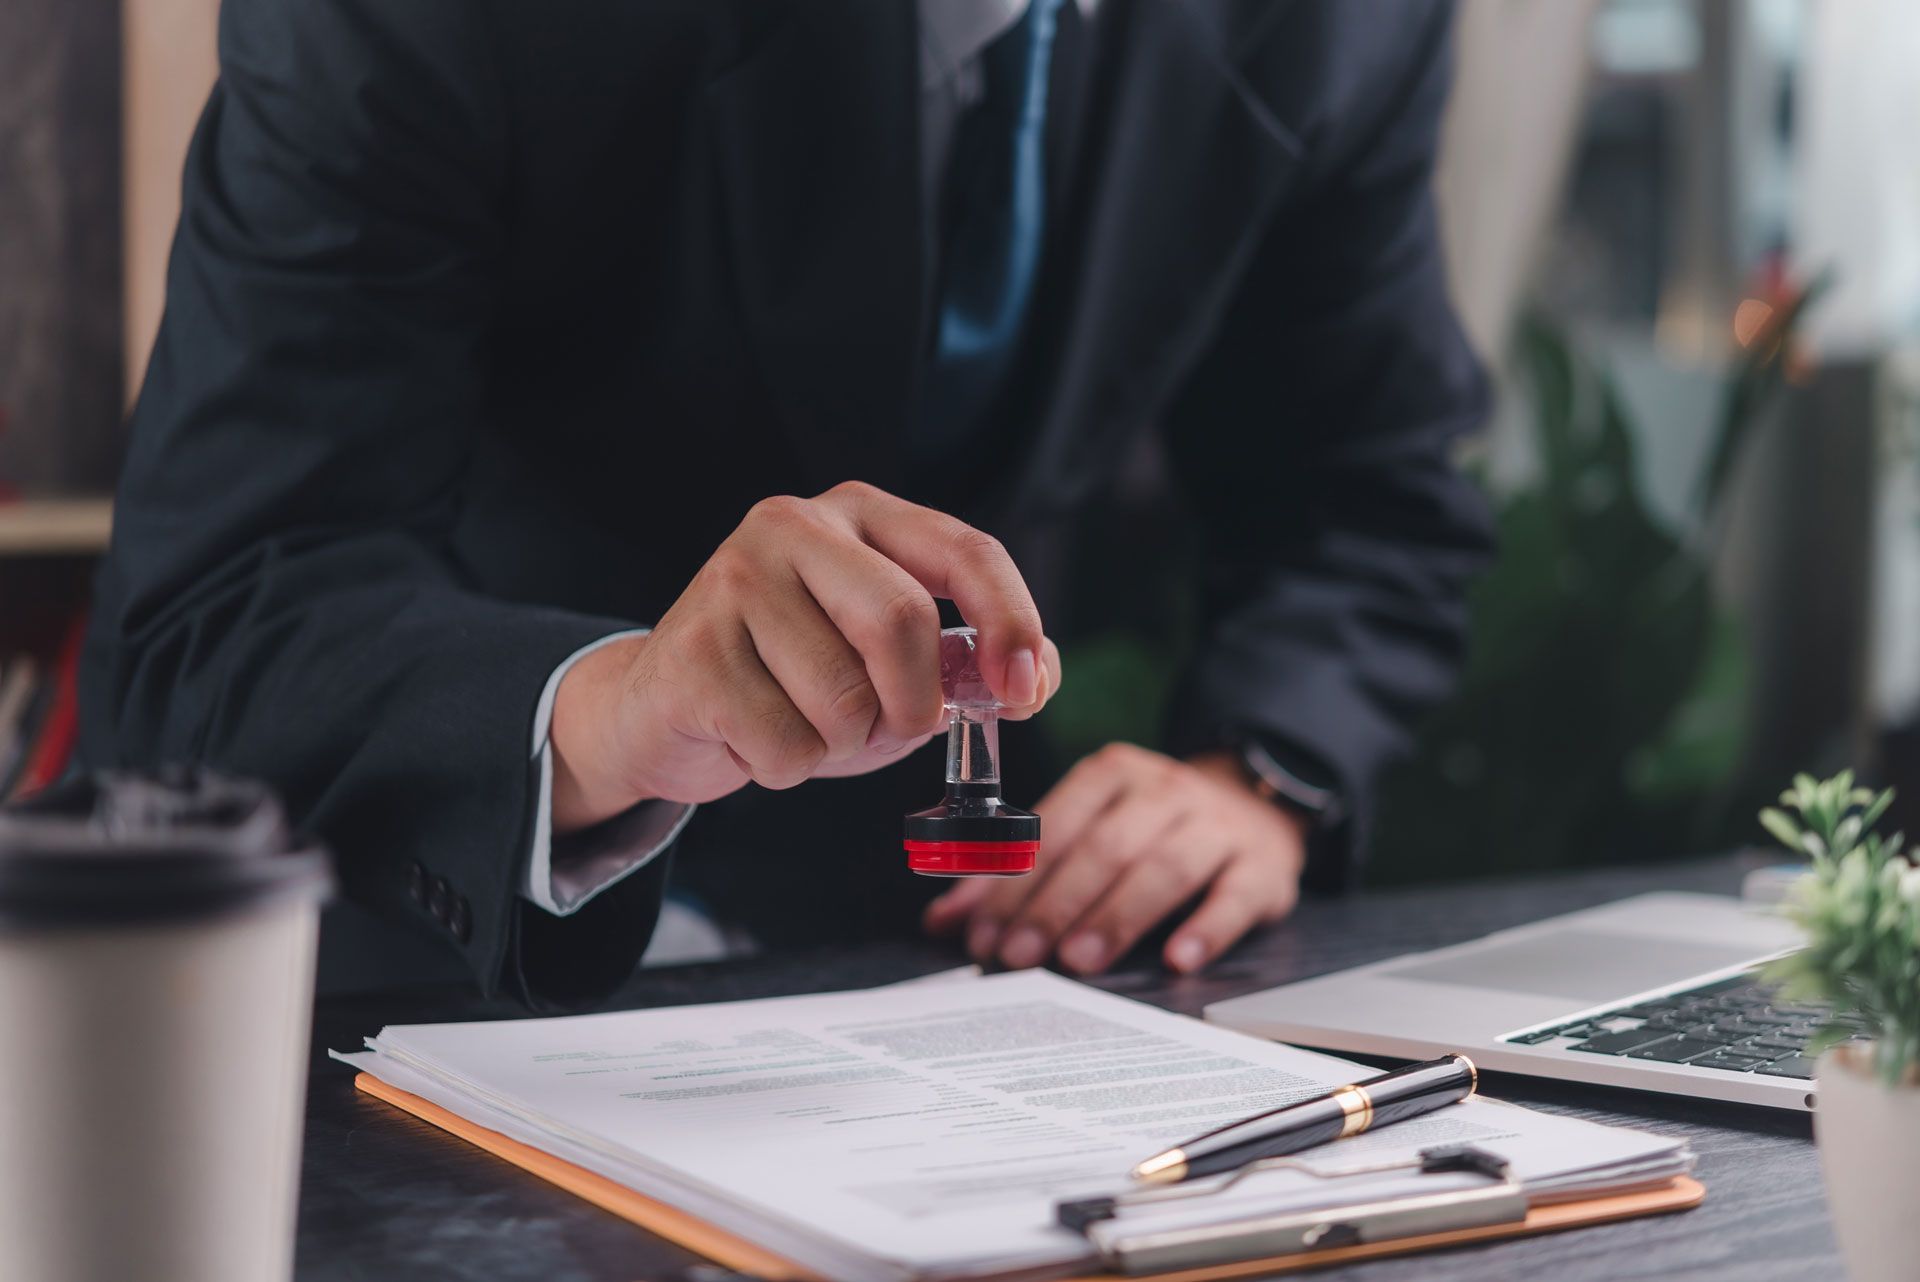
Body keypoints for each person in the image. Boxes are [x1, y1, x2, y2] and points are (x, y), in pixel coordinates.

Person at [81, 0, 1492, 1007]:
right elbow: (220, 604)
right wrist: (615, 707)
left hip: (952, 986)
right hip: (446, 989)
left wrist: (1258, 779)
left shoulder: (1343, 21)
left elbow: (1369, 496)